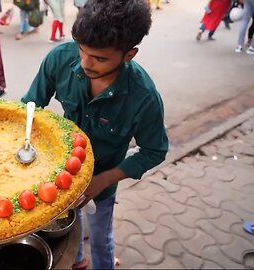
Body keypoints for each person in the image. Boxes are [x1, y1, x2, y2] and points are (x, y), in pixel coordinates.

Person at [20, 0, 168, 269]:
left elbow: (154, 151)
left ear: (128, 55)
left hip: (102, 182)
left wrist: (102, 181)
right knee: (68, 231)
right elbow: (30, 106)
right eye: (82, 51)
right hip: (59, 175)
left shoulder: (143, 97)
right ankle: (77, 261)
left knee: (100, 237)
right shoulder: (60, 59)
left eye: (99, 59)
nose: (85, 64)